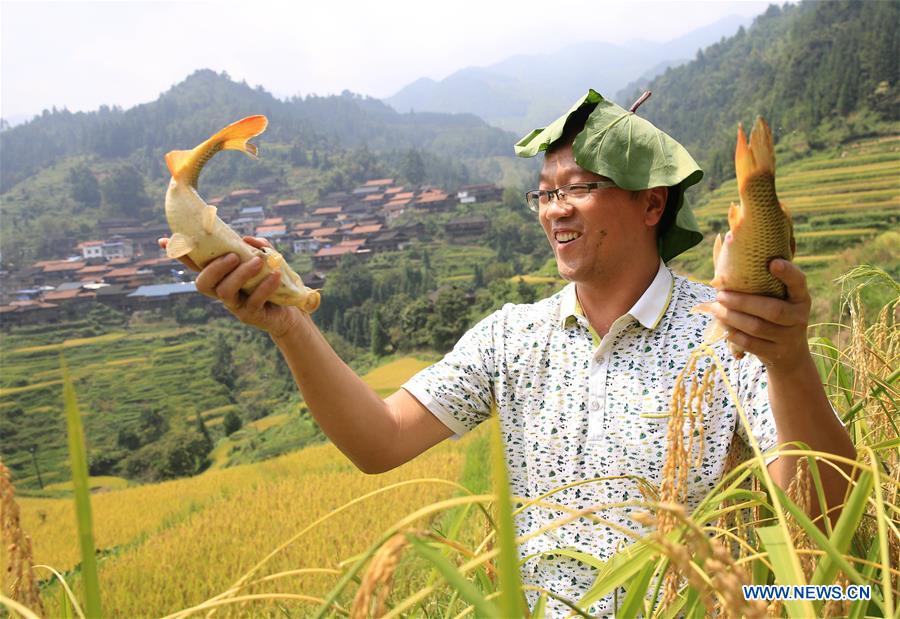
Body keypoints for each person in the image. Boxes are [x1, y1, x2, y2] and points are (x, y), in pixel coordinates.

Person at [160, 90, 855, 616]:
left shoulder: (728, 333)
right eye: (544, 194)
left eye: (578, 188)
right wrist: (287, 325)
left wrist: (788, 361)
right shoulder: (512, 338)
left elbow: (826, 522)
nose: (554, 210)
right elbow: (381, 439)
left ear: (651, 205)